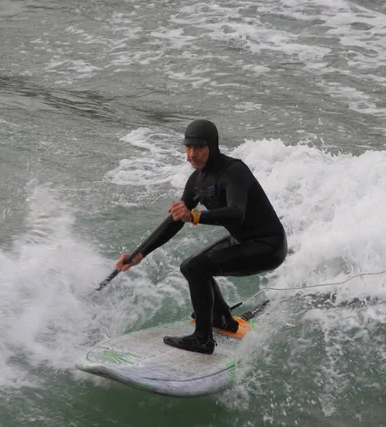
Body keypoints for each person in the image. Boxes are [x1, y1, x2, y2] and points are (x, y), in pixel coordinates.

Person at [116, 119, 287, 355]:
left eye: (199, 148)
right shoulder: (197, 181)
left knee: (196, 267)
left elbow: (237, 213)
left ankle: (203, 340)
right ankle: (222, 320)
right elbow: (176, 219)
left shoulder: (234, 171)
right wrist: (139, 254)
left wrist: (195, 216)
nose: (192, 154)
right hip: (244, 241)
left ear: (213, 147)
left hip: (269, 246)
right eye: (187, 147)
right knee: (192, 267)